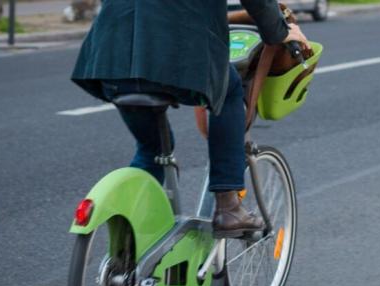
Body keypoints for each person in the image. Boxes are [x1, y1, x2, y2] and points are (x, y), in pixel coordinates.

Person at [71, 0, 308, 237]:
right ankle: (228, 207)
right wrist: (279, 31)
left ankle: (128, 248)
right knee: (230, 91)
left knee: (151, 150)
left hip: (111, 51)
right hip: (172, 47)